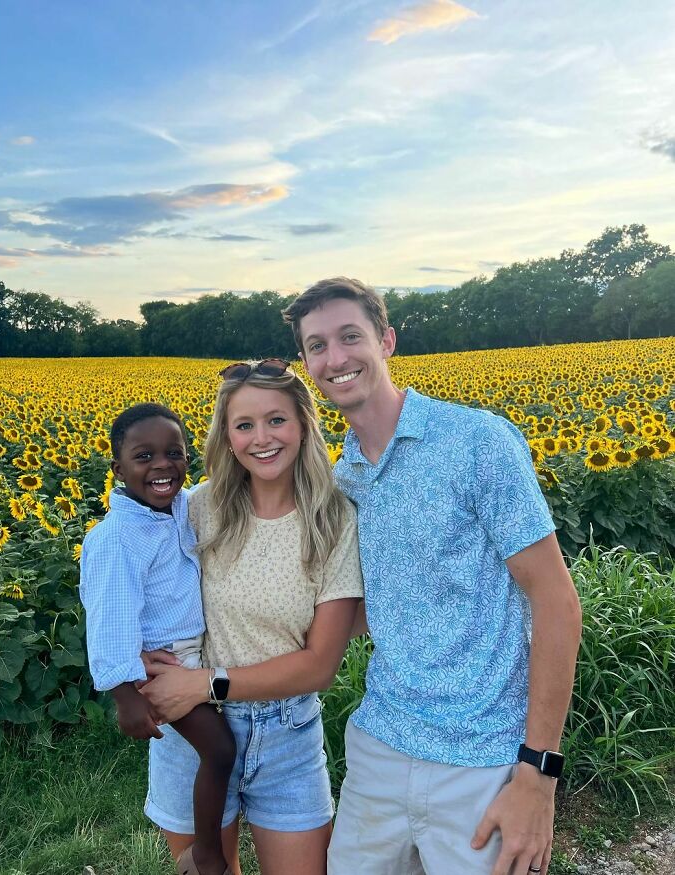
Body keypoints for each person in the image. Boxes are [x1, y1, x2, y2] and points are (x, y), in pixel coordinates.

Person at [282, 278, 583, 875]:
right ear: (307, 363)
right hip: (380, 745)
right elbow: (374, 607)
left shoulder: (476, 441)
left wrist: (538, 773)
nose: (335, 358)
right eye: (317, 346)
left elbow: (555, 602)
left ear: (387, 340)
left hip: (485, 759)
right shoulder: (344, 480)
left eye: (350, 337)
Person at [139, 360, 364, 875]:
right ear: (227, 435)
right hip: (192, 731)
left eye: (276, 420)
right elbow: (128, 571)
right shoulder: (195, 509)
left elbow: (319, 665)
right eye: (244, 425)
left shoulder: (333, 521)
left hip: (286, 731)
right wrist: (128, 649)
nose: (261, 438)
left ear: (304, 424)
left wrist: (205, 684)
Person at [80, 403, 236, 875]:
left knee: (215, 753)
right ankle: (207, 852)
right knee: (219, 749)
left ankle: (210, 846)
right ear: (118, 468)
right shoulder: (118, 537)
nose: (162, 464)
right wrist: (126, 696)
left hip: (193, 658)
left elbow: (223, 483)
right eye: (143, 456)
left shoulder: (180, 507)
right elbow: (108, 619)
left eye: (174, 452)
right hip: (160, 670)